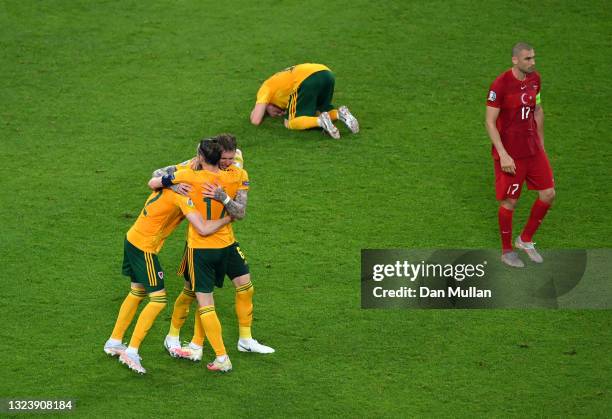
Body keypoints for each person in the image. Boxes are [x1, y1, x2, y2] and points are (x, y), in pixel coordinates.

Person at [149, 138, 272, 372]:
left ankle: (244, 341)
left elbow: (240, 211)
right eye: (224, 158)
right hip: (199, 246)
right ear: (216, 157)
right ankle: (178, 337)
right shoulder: (196, 170)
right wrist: (174, 186)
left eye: (231, 158)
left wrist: (222, 197)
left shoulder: (229, 172)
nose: (228, 162)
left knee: (244, 287)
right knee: (192, 293)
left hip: (226, 242)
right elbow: (158, 175)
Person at [103, 172, 232, 374]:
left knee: (137, 292)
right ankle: (132, 351)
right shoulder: (182, 196)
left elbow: (156, 177)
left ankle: (114, 341)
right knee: (158, 300)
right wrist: (228, 218)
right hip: (144, 247)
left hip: (133, 239)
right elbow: (203, 228)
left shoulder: (169, 183)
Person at [485, 42, 555, 268]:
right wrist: (503, 155)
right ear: (515, 60)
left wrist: (541, 142)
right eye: (528, 59)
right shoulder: (501, 84)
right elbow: (490, 121)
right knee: (510, 202)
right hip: (511, 153)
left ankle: (525, 240)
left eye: (534, 58)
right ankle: (507, 251)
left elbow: (537, 109)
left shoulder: (535, 79)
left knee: (548, 194)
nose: (532, 62)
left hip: (533, 149)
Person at [250, 63, 359, 139]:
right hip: (326, 74)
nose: (279, 112)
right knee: (318, 111)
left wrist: (262, 110)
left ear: (267, 104)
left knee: (290, 122)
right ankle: (339, 114)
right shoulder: (280, 83)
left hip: (306, 79)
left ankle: (320, 122)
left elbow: (255, 120)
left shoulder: (265, 88)